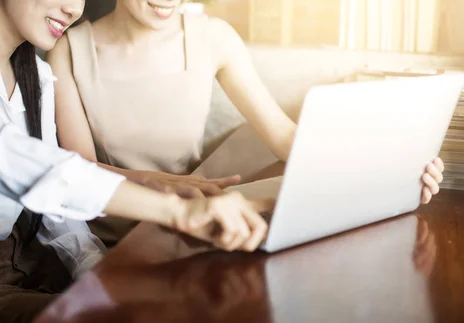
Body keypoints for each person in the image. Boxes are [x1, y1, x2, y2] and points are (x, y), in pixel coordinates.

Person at [0, 0, 272, 321]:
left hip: (17, 266)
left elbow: (57, 216)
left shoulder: (37, 78)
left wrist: (104, 273)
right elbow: (5, 157)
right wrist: (177, 211)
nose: (74, 8)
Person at [46, 0, 446, 243]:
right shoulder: (69, 50)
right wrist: (170, 194)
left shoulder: (213, 37)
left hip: (207, 221)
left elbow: (285, 137)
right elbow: (81, 172)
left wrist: (390, 174)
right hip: (123, 235)